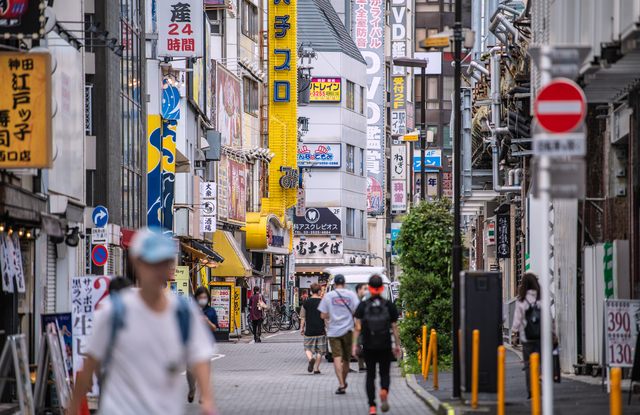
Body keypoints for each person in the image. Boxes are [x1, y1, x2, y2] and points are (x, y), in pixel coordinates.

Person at [67, 229, 217, 415]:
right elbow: (90, 362)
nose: (158, 271)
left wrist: (208, 402)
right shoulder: (113, 311)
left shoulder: (183, 312)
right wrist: (74, 407)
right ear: (136, 263)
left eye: (164, 263)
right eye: (152, 263)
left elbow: (200, 358)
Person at [352, 275, 401, 415]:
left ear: (370, 289)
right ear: (381, 289)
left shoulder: (363, 305)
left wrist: (355, 345)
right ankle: (384, 391)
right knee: (385, 373)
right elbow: (394, 327)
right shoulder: (389, 305)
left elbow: (357, 327)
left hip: (369, 345)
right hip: (385, 344)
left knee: (370, 375)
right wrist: (397, 345)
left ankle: (372, 406)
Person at [511, 271, 553, 399]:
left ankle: (531, 389)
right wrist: (553, 332)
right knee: (543, 361)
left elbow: (517, 319)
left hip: (527, 337)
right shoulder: (542, 298)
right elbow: (549, 317)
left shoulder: (521, 300)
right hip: (542, 336)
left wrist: (514, 334)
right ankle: (542, 382)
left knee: (529, 364)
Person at [318, 274, 360, 394]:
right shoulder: (352, 295)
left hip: (333, 331)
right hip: (348, 331)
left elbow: (322, 315)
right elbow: (357, 312)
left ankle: (341, 384)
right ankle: (344, 381)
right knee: (346, 359)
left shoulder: (328, 296)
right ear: (345, 283)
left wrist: (332, 315)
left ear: (335, 283)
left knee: (337, 357)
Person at [187, 286, 219, 403]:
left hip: (206, 344)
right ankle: (192, 388)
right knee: (190, 370)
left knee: (205, 370)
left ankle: (203, 395)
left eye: (205, 297)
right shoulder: (191, 310)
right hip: (191, 343)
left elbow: (215, 328)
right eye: (200, 297)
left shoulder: (211, 311)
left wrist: (207, 321)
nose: (202, 299)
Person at [299, 283, 327, 374]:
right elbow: (326, 317)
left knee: (307, 348)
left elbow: (303, 317)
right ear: (319, 291)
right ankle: (316, 369)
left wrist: (301, 328)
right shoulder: (323, 302)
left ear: (311, 291)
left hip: (309, 330)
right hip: (320, 329)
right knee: (320, 350)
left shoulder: (306, 303)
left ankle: (311, 359)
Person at [355, 283, 368, 372]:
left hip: (358, 326)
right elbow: (356, 315)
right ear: (359, 290)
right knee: (360, 345)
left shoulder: (360, 300)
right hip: (357, 327)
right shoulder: (357, 300)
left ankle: (361, 365)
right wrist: (359, 326)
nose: (366, 290)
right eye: (364, 288)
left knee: (360, 345)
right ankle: (361, 365)